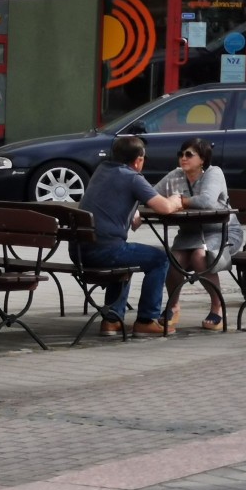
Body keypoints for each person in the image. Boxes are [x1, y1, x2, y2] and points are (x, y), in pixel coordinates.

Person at [72, 135, 183, 338]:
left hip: (79, 251)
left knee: (126, 256)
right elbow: (165, 208)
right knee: (160, 258)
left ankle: (112, 320)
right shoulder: (132, 177)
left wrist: (133, 209)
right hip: (104, 252)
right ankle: (147, 320)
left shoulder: (102, 170)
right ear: (138, 159)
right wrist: (176, 200)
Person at [152, 138, 244, 331]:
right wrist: (137, 210)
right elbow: (151, 195)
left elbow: (207, 202)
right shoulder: (175, 176)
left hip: (222, 230)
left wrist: (180, 201)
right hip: (190, 232)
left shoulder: (213, 173)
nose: (183, 158)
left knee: (200, 257)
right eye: (181, 154)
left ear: (202, 159)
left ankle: (217, 307)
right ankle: (174, 305)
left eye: (189, 154)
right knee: (173, 260)